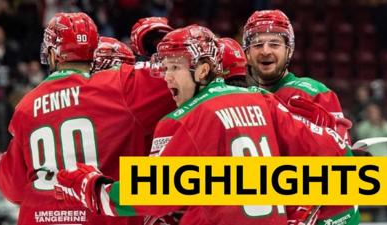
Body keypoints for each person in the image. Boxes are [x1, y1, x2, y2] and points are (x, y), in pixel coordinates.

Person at [54, 25, 355, 225]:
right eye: (164, 68)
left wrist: (92, 186)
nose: (167, 78)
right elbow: (334, 152)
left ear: (203, 69)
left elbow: (151, 196)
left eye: (174, 68)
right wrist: (331, 128)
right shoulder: (263, 101)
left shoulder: (182, 120)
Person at [0, 12, 176, 225]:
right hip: (101, 216)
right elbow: (191, 74)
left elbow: (11, 187)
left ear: (53, 54)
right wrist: (163, 48)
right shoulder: (119, 86)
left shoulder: (26, 106)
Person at [242, 9, 359, 224]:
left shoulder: (312, 91)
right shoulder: (244, 101)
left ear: (289, 50)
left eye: (274, 44)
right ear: (247, 54)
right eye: (257, 45)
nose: (265, 51)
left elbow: (341, 163)